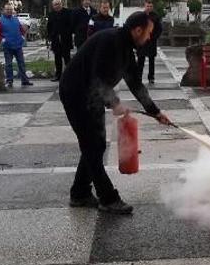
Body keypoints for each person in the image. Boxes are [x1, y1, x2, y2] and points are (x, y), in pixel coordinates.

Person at [59, 12, 171, 215]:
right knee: (92, 146)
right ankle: (108, 198)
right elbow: (97, 78)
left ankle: (80, 193)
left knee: (96, 145)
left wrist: (155, 112)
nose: (149, 38)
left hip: (92, 97)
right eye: (149, 33)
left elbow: (136, 84)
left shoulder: (127, 49)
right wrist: (115, 103)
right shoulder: (110, 41)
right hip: (75, 93)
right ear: (137, 30)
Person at [0, 3, 33, 88]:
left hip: (18, 45)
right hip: (8, 46)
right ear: (4, 10)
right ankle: (9, 81)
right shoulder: (0, 21)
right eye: (7, 9)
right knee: (9, 64)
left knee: (21, 63)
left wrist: (22, 37)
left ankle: (24, 80)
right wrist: (2, 40)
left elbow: (21, 30)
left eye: (11, 9)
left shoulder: (16, 19)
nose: (9, 11)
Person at [47, 0, 73, 82]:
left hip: (65, 39)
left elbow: (71, 24)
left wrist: (68, 33)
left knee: (67, 59)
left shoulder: (68, 12)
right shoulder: (51, 14)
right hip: (55, 40)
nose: (57, 6)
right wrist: (50, 37)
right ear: (53, 6)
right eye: (55, 4)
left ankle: (69, 75)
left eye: (58, 4)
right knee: (57, 59)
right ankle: (58, 75)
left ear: (61, 4)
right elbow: (49, 27)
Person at [137, 0, 162, 84]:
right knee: (140, 60)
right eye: (147, 6)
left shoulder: (156, 17)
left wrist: (154, 37)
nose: (149, 8)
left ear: (152, 7)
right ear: (145, 6)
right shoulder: (140, 16)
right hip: (142, 41)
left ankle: (151, 77)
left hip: (151, 42)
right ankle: (138, 76)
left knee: (152, 61)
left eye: (150, 6)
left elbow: (159, 29)